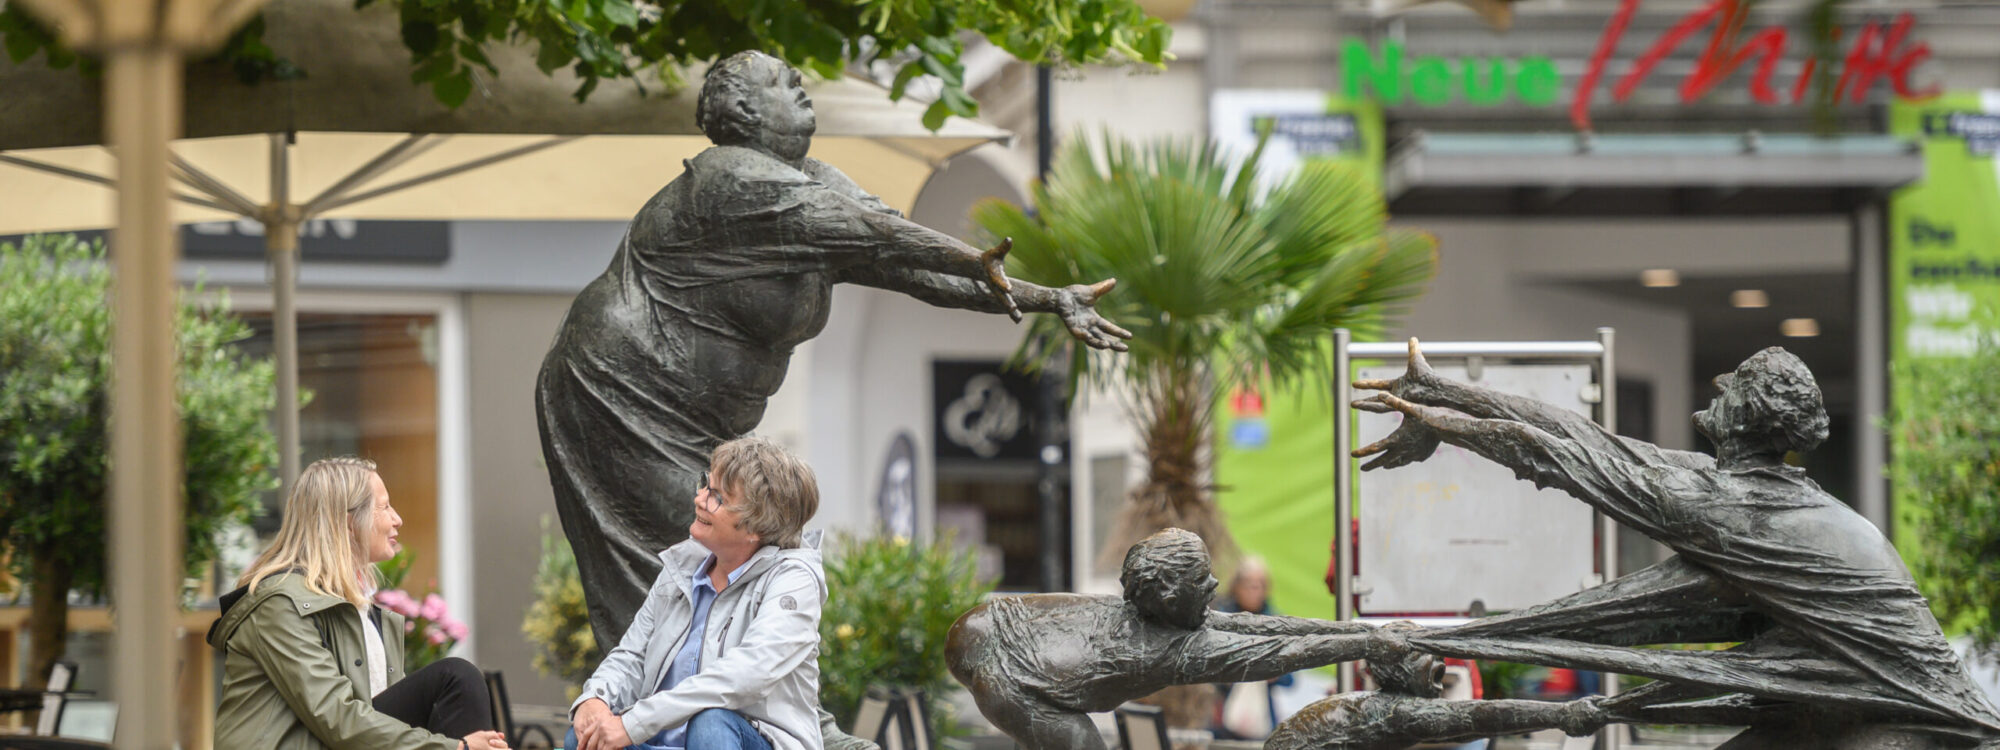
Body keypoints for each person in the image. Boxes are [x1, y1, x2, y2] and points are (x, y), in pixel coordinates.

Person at [535, 49, 1132, 652]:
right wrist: (966, 256)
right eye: (778, 79)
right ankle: (676, 722)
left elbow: (907, 267)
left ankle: (732, 718)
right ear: (742, 109)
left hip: (697, 416)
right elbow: (879, 233)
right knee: (700, 552)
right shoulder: (728, 178)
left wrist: (1048, 298)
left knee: (722, 557)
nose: (799, 80)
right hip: (616, 390)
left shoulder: (813, 184)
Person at [1351, 340, 2000, 744]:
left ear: (1750, 414)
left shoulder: (1731, 509)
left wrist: (1435, 421)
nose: (1720, 383)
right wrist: (1442, 391)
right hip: (1840, 708)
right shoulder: (1753, 486)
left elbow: (1563, 459)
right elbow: (1587, 436)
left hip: (1909, 726)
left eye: (1737, 379)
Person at [947, 529, 1404, 750]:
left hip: (988, 627)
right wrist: (1365, 642)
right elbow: (1271, 654)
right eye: (1201, 579)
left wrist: (1363, 633)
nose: (1213, 585)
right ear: (1168, 595)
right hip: (1010, 683)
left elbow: (1252, 627)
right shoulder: (1158, 649)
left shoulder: (1147, 611)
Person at [207, 457, 508, 750]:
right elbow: (337, 717)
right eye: (385, 507)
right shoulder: (280, 605)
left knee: (459, 685)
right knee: (456, 679)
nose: (397, 519)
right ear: (350, 524)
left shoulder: (362, 609)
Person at [566, 436, 827, 750]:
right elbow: (632, 655)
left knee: (711, 725)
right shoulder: (683, 565)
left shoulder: (793, 580)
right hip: (666, 744)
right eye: (706, 484)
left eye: (717, 496)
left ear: (755, 526)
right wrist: (595, 698)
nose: (700, 499)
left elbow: (743, 675)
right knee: (583, 738)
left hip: (745, 742)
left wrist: (633, 724)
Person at [1266, 624, 1608, 750]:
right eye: (1424, 661)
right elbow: (1482, 717)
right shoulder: (1393, 710)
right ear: (1398, 674)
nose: (1440, 667)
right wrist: (1563, 713)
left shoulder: (1367, 703)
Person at [1211, 557, 1293, 740]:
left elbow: (1291, 679)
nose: (1254, 590)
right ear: (1237, 586)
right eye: (1249, 584)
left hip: (1261, 721)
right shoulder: (1221, 619)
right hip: (1223, 720)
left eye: (1260, 585)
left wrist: (1274, 673)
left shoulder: (1276, 623)